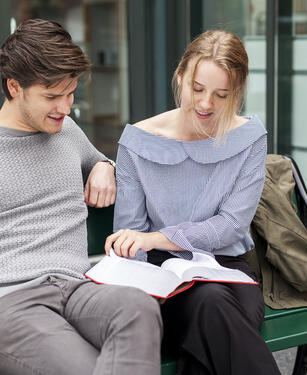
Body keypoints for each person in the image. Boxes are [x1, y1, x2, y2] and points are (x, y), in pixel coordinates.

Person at [0, 19, 162, 375]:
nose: (65, 108)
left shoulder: (67, 132)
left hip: (76, 289)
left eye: (71, 94)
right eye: (52, 96)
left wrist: (104, 164)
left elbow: (103, 162)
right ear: (14, 87)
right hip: (6, 305)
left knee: (138, 307)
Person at [105, 30, 281, 375]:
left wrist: (156, 237)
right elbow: (130, 238)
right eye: (197, 89)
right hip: (161, 276)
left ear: (238, 92)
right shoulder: (138, 143)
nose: (205, 104)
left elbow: (231, 225)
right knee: (209, 308)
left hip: (230, 270)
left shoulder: (249, 139)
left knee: (212, 306)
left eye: (221, 95)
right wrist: (141, 296)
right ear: (180, 76)